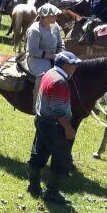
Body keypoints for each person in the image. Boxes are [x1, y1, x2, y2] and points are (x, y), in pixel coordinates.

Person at [27, 50, 80, 204]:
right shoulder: (59, 82)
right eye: (73, 65)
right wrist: (68, 129)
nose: (75, 67)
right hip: (55, 126)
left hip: (42, 121)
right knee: (60, 159)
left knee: (39, 154)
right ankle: (52, 193)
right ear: (65, 65)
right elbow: (58, 111)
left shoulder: (49, 73)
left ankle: (34, 187)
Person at [26, 4, 64, 91]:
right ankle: (38, 100)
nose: (56, 17)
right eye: (54, 15)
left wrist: (61, 53)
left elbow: (60, 43)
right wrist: (53, 57)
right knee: (44, 76)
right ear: (46, 16)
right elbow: (33, 51)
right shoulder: (35, 30)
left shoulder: (56, 26)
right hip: (37, 59)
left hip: (55, 56)